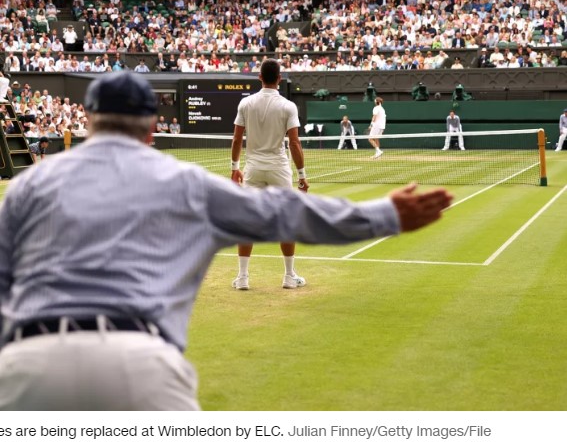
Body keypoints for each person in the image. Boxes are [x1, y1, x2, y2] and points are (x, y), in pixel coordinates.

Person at [0, 71, 452, 411]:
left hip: (23, 366)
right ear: (153, 129)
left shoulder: (28, 186)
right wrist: (383, 214)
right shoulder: (186, 183)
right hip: (140, 365)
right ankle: (284, 274)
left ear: (89, 121)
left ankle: (245, 275)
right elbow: (284, 212)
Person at [230, 58, 309, 290]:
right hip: (279, 169)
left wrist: (235, 169)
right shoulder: (288, 106)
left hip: (252, 169)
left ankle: (243, 278)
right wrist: (302, 175)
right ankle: (289, 276)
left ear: (259, 77)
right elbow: (294, 143)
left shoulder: (246, 104)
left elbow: (236, 139)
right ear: (280, 79)